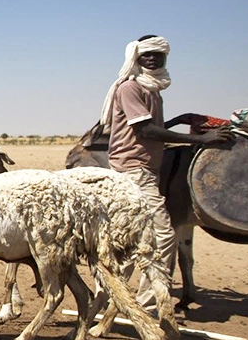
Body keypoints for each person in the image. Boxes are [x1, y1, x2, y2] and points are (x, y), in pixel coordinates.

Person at [99, 34, 232, 285]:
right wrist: (202, 140)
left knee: (128, 236)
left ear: (165, 57)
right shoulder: (131, 87)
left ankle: (111, 297)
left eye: (156, 54)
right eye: (146, 54)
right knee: (163, 234)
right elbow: (145, 131)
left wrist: (179, 120)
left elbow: (147, 126)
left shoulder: (153, 89)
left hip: (146, 168)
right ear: (136, 57)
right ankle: (150, 306)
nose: (151, 59)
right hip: (133, 169)